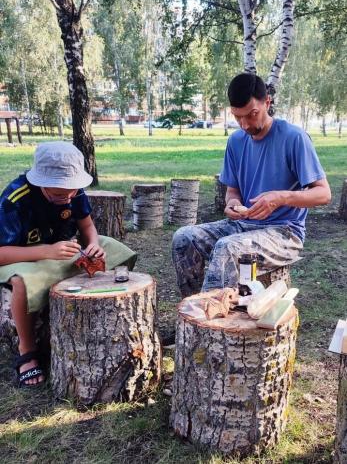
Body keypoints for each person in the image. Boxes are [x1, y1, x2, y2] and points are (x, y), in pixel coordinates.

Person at [172, 72, 331, 298]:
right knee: (184, 237)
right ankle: (194, 311)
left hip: (284, 233)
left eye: (252, 114)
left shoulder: (293, 137)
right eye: (238, 117)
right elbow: (233, 191)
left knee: (228, 248)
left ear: (267, 102)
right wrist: (233, 203)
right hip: (243, 227)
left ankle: (213, 317)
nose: (245, 124)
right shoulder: (236, 141)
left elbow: (324, 194)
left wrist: (280, 198)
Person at [0, 141, 136, 387]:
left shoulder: (73, 191)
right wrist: (46, 251)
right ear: (40, 182)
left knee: (117, 249)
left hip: (61, 250)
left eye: (73, 191)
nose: (69, 197)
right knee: (22, 283)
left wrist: (93, 244)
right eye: (60, 194)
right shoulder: (15, 199)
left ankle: (103, 312)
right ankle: (26, 351)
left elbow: (86, 227)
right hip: (21, 255)